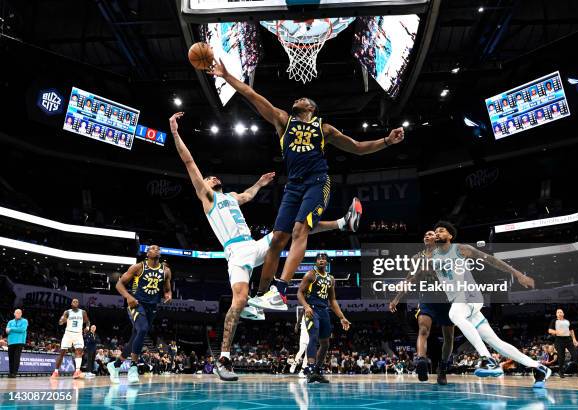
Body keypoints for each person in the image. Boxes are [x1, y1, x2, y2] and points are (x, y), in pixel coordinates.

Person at [169, 112, 360, 381]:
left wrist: (259, 183)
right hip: (235, 253)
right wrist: (176, 133)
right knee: (238, 300)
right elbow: (188, 161)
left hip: (253, 245)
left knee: (294, 229)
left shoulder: (232, 197)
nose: (210, 178)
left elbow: (247, 195)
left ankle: (343, 223)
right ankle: (224, 358)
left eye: (212, 177)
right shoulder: (207, 196)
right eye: (208, 177)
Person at [206, 58, 402, 312]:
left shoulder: (324, 129)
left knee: (300, 230)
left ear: (311, 108)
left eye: (303, 98)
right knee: (277, 239)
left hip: (317, 182)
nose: (298, 98)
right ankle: (262, 297)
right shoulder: (283, 121)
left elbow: (357, 148)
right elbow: (252, 95)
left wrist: (386, 140)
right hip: (294, 186)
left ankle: (281, 291)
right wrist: (226, 76)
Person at [429, 221, 551, 388]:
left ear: (450, 236)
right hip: (463, 305)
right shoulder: (432, 257)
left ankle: (488, 360)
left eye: (441, 231)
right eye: (435, 232)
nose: (437, 233)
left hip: (469, 296)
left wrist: (517, 274)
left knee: (454, 315)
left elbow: (491, 260)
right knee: (496, 342)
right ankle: (539, 368)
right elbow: (418, 275)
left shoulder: (460, 249)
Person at [389, 230, 455, 385]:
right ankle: (421, 361)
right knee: (423, 330)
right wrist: (396, 299)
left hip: (446, 299)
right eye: (425, 234)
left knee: (449, 336)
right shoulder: (416, 258)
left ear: (436, 238)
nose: (427, 235)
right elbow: (409, 279)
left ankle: (443, 368)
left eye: (430, 234)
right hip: (427, 298)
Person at [107, 245, 172, 384]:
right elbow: (119, 284)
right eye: (153, 248)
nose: (157, 249)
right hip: (137, 304)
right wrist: (128, 297)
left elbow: (167, 289)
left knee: (135, 337)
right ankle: (133, 368)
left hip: (152, 307)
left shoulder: (165, 271)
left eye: (158, 248)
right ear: (147, 253)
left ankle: (115, 365)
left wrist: (168, 295)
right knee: (142, 330)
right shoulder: (138, 267)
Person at [297, 253, 351, 383]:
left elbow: (332, 300)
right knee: (313, 337)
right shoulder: (310, 275)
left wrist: (342, 317)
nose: (321, 260)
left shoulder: (331, 279)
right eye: (319, 259)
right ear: (316, 262)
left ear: (327, 262)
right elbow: (299, 293)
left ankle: (317, 370)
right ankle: (309, 369)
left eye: (324, 259)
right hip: (312, 309)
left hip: (324, 310)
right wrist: (306, 306)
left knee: (325, 343)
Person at [51, 299, 90, 379]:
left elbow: (87, 321)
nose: (75, 302)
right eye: (74, 301)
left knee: (79, 351)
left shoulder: (83, 312)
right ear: (71, 303)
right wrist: (62, 321)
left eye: (77, 302)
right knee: (62, 353)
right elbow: (60, 322)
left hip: (78, 335)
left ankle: (77, 371)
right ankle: (56, 371)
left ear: (78, 304)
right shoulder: (67, 312)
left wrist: (87, 327)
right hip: (68, 334)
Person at [548, 308, 578, 378]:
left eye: (561, 312)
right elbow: (550, 330)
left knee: (575, 355)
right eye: (558, 312)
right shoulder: (554, 321)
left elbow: (571, 331)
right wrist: (557, 332)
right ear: (556, 314)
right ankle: (561, 371)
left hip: (568, 340)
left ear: (563, 314)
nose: (559, 313)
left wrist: (574, 339)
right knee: (561, 357)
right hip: (559, 340)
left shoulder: (567, 321)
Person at [6, 309, 28, 378]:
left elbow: (22, 329)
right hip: (11, 342)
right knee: (11, 358)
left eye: (19, 313)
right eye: (17, 313)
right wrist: (12, 329)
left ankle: (14, 373)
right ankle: (10, 372)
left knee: (16, 358)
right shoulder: (10, 321)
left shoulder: (24, 321)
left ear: (21, 314)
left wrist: (11, 329)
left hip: (19, 342)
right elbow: (7, 331)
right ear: (14, 314)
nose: (18, 314)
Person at [290, 307, 309, 377]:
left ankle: (302, 371)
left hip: (311, 334)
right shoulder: (304, 310)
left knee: (307, 355)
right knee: (301, 350)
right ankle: (294, 364)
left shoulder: (315, 312)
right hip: (304, 333)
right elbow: (299, 320)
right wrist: (296, 326)